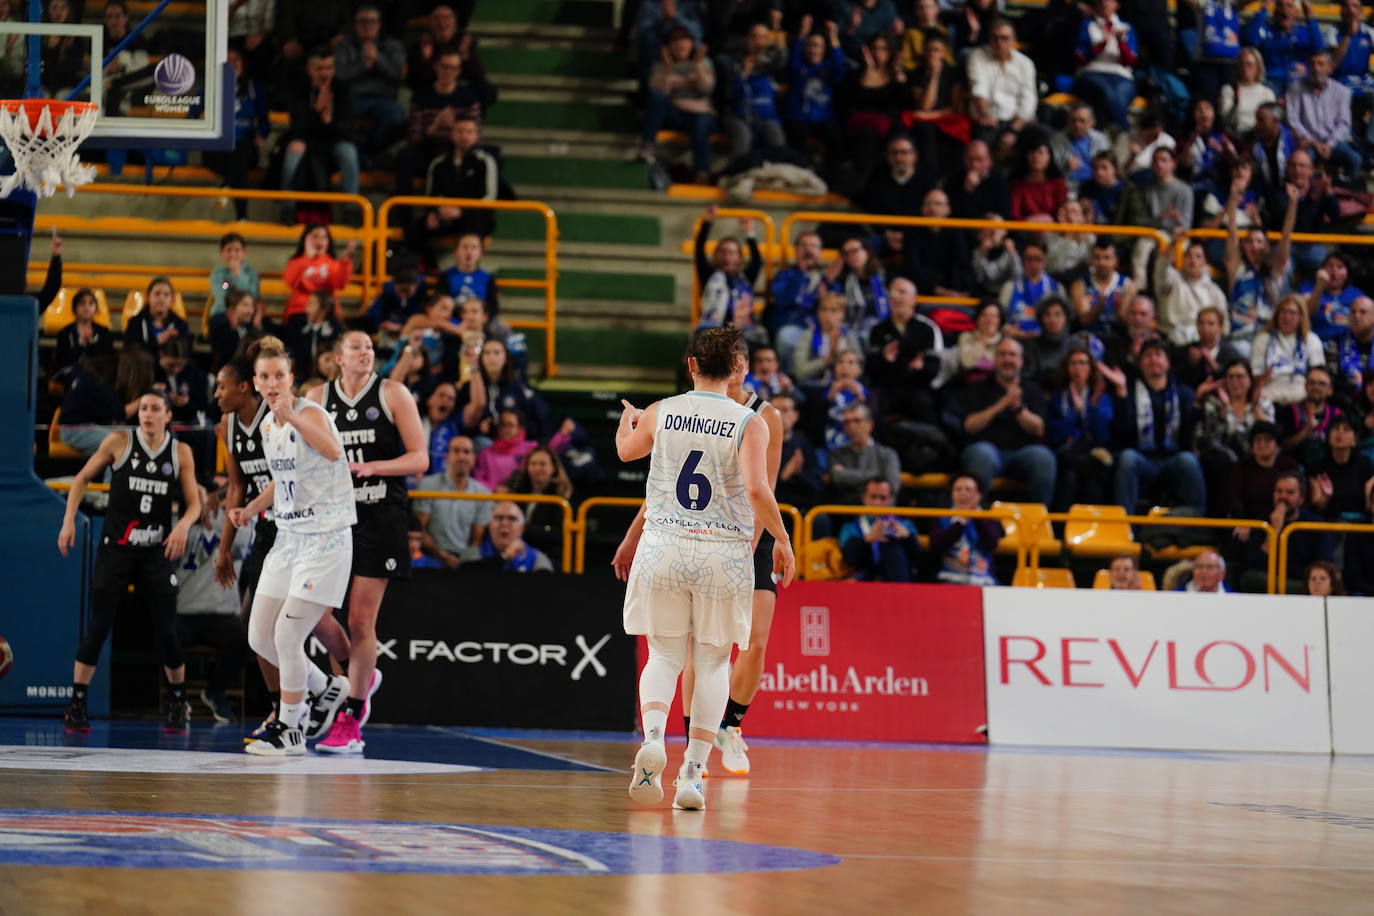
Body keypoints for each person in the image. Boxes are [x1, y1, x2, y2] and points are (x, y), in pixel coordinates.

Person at [615, 327, 795, 811]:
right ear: (737, 368)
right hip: (721, 553)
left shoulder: (663, 410)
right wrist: (781, 537)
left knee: (664, 657)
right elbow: (758, 491)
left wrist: (626, 423)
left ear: (690, 364)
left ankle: (653, 737)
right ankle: (692, 774)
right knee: (714, 661)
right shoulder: (749, 422)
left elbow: (627, 452)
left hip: (663, 545)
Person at [226, 337, 356, 756]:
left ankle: (290, 727)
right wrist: (250, 508)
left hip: (326, 538)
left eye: (279, 375)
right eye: (264, 376)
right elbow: (281, 482)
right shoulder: (266, 427)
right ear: (256, 382)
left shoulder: (311, 413)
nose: (272, 383)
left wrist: (293, 418)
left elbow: (335, 451)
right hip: (288, 538)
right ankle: (326, 687)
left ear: (291, 378)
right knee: (259, 636)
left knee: (287, 634)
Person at [311, 331, 430, 754]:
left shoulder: (393, 393)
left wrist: (372, 467)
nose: (365, 353)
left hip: (380, 515)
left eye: (369, 348)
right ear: (337, 358)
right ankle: (357, 675)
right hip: (331, 518)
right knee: (312, 613)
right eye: (356, 347)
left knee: (361, 622)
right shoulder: (317, 397)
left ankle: (352, 718)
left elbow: (420, 457)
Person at [56, 391, 201, 733]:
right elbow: (79, 480)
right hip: (116, 548)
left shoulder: (180, 452)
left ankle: (178, 701)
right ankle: (77, 701)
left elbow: (195, 503)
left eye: (155, 409)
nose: (147, 414)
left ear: (168, 416)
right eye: (144, 408)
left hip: (155, 550)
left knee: (167, 628)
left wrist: (182, 525)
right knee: (100, 624)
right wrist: (67, 521)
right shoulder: (119, 442)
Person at [176, 485, 250, 724]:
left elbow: (244, 550)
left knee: (241, 638)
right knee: (166, 634)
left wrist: (223, 503)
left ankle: (215, 692)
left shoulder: (241, 521)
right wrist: (195, 506)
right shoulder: (182, 519)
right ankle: (179, 698)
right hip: (184, 610)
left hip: (223, 613)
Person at [955, 337, 1056, 506]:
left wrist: (1018, 409)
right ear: (995, 359)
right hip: (988, 449)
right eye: (1002, 354)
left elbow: (1038, 429)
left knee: (1043, 457)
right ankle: (978, 522)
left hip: (1023, 453)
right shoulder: (978, 388)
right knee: (981, 453)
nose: (1007, 359)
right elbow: (969, 426)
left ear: (1021, 361)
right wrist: (1001, 404)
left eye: (1012, 355)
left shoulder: (1033, 389)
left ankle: (1038, 524)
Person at [1108, 338, 1206, 512]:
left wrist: (1197, 405)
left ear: (1167, 362)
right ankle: (1125, 527)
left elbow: (1188, 435)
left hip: (1172, 459)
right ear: (1140, 363)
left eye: (1158, 355)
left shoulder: (1183, 393)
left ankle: (1196, 524)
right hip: (1142, 459)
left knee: (1189, 461)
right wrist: (1121, 396)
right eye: (1148, 355)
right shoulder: (1128, 391)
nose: (1153, 360)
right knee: (1127, 458)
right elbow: (1121, 434)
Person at [405, 117, 501, 266]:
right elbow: (430, 195)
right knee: (414, 228)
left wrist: (461, 211)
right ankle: (429, 269)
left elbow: (488, 197)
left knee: (475, 225)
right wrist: (435, 212)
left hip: (474, 216)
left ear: (477, 136)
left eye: (469, 132)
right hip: (444, 215)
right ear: (452, 134)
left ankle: (471, 270)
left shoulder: (485, 161)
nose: (464, 135)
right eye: (460, 131)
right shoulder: (439, 163)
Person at [1225, 176, 1297, 358]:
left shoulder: (1275, 271)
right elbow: (1232, 232)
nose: (1254, 246)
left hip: (1270, 336)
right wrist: (1233, 200)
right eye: (1249, 241)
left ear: (1266, 246)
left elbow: (1286, 238)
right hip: (1240, 337)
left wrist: (1292, 205)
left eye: (1259, 242)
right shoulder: (1238, 268)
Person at [642, 26, 718, 183]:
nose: (680, 46)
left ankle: (702, 173)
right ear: (668, 47)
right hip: (675, 114)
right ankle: (647, 145)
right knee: (657, 98)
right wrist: (668, 69)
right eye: (675, 43)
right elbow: (659, 90)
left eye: (684, 42)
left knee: (701, 126)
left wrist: (696, 66)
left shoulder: (703, 62)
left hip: (700, 114)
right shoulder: (661, 66)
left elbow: (706, 88)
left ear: (691, 44)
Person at [283, 48, 359, 199]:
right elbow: (297, 128)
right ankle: (287, 207)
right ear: (309, 70)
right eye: (319, 69)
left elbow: (348, 129)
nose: (325, 74)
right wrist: (315, 111)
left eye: (329, 68)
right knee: (294, 149)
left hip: (334, 140)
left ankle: (352, 209)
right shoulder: (298, 90)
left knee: (348, 152)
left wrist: (328, 120)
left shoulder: (343, 90)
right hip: (307, 140)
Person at [333, 4, 407, 161]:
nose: (367, 25)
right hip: (352, 98)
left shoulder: (393, 45)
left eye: (372, 21)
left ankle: (370, 155)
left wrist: (377, 59)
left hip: (384, 99)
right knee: (341, 121)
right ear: (355, 25)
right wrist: (362, 64)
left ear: (379, 24)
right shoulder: (343, 46)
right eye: (362, 21)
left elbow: (398, 77)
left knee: (396, 117)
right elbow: (340, 76)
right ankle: (363, 157)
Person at [1047, 346, 1116, 508]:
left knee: (1091, 481)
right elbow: (1054, 434)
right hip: (1068, 452)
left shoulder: (1101, 397)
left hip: (1093, 451)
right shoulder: (1058, 397)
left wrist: (1091, 407)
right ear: (1067, 368)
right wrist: (1075, 414)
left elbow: (1103, 435)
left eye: (1083, 363)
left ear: (1091, 369)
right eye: (1073, 364)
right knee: (1070, 477)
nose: (1078, 368)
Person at [414, 435, 492, 568]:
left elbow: (476, 540)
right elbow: (419, 529)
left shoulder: (483, 493)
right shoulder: (427, 486)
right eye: (456, 451)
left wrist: (463, 561)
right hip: (431, 557)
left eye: (466, 452)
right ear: (447, 457)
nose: (461, 457)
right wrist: (441, 555)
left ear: (474, 458)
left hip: (465, 559)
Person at [1285, 49, 1361, 183]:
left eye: (1320, 64)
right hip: (1308, 143)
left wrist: (1329, 145)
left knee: (1355, 159)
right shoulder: (1295, 89)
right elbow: (1293, 120)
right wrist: (1314, 143)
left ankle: (1347, 192)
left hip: (1333, 143)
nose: (1316, 68)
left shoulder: (1341, 91)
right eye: (1313, 64)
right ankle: (1307, 196)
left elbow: (1344, 123)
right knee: (1302, 162)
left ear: (1330, 68)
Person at [965, 19, 1038, 142]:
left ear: (1013, 40)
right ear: (989, 39)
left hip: (1016, 121)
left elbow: (1028, 99)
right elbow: (978, 88)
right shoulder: (977, 56)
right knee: (981, 144)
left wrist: (1013, 129)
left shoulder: (1025, 64)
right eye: (995, 38)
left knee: (1044, 139)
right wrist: (986, 115)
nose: (999, 42)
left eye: (1005, 38)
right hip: (987, 119)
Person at [500, 445, 573, 567]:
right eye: (533, 464)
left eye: (542, 464)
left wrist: (524, 528)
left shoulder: (562, 496)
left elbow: (558, 535)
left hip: (547, 555)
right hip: (513, 550)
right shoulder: (517, 490)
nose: (537, 468)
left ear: (553, 468)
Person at [1072, 0, 1140, 131]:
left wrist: (1121, 43)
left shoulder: (1126, 27)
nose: (1105, 3)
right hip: (1092, 72)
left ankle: (1110, 132)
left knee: (1121, 94)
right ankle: (1125, 130)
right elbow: (1081, 58)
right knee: (1107, 93)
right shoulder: (1087, 25)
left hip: (1121, 74)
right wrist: (1100, 44)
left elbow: (1130, 61)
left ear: (1117, 4)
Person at [839, 477, 920, 582]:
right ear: (864, 498)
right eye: (873, 497)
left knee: (891, 546)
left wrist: (908, 539)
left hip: (896, 580)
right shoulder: (850, 527)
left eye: (883, 498)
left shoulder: (905, 526)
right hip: (863, 580)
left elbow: (917, 560)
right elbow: (850, 559)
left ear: (891, 499)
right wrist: (866, 540)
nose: (877, 503)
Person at [695, 206, 763, 330]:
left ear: (739, 258)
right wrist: (707, 223)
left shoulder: (746, 277)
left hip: (741, 329)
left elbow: (757, 261)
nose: (727, 256)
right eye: (723, 251)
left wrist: (750, 233)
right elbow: (699, 250)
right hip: (713, 328)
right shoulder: (708, 274)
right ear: (716, 255)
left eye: (732, 253)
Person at [1251, 293, 1325, 405]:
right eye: (1283, 312)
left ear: (1301, 317)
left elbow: (1318, 373)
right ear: (1276, 315)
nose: (1287, 317)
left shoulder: (1311, 339)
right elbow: (1255, 374)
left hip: (1302, 394)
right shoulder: (1262, 339)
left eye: (1292, 313)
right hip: (1270, 391)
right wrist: (1262, 377)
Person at [1155, 234, 1228, 346]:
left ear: (1205, 262)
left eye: (1198, 256)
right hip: (1171, 338)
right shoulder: (1172, 279)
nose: (1193, 260)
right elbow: (1161, 270)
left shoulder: (1214, 291)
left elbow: (1224, 321)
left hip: (1205, 340)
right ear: (1183, 259)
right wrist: (1172, 244)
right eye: (1189, 255)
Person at [930, 472, 1003, 585]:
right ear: (952, 494)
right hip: (949, 580)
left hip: (984, 580)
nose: (962, 493)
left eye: (968, 489)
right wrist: (961, 522)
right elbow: (936, 546)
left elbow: (992, 544)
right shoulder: (942, 517)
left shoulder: (989, 518)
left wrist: (976, 517)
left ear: (979, 495)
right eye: (958, 489)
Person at [283, 225, 357, 324]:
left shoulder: (333, 263)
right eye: (315, 236)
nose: (319, 241)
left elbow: (340, 285)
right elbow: (289, 281)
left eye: (323, 237)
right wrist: (307, 258)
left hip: (326, 311)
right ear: (306, 240)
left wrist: (346, 261)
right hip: (300, 311)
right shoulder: (296, 261)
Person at [459, 501, 555, 572]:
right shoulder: (472, 554)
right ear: (489, 526)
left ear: (521, 528)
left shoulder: (537, 558)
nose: (504, 523)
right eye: (498, 518)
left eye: (512, 518)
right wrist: (505, 556)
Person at [1071, 239, 1137, 337]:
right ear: (1091, 260)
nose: (1102, 263)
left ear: (1116, 261)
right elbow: (1084, 320)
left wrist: (1118, 310)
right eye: (1097, 258)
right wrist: (1099, 306)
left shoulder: (1128, 285)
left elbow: (1127, 323)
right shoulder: (1080, 285)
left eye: (1107, 258)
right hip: (1088, 339)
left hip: (1118, 339)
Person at [999, 242, 1063, 340]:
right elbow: (1000, 319)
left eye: (1038, 259)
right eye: (1029, 259)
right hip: (1014, 341)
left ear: (1045, 260)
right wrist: (1011, 331)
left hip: (1046, 342)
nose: (1033, 263)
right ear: (1022, 260)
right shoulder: (1009, 287)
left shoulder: (1056, 287)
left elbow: (1062, 323)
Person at [123, 277, 190, 362]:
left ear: (172, 299)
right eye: (157, 294)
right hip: (142, 370)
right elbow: (130, 352)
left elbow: (185, 356)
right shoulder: (135, 323)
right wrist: (157, 342)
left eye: (166, 294)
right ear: (148, 297)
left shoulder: (180, 325)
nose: (161, 299)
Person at [1304, 252, 1365, 344]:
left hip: (1348, 346)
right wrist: (1319, 286)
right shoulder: (1308, 287)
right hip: (1316, 343)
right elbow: (1306, 312)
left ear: (1347, 272)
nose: (1334, 271)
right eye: (1330, 266)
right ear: (1322, 269)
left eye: (1340, 267)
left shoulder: (1356, 294)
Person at [53, 288, 114, 379]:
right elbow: (61, 361)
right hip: (71, 376)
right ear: (75, 308)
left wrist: (92, 346)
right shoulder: (65, 333)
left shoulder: (104, 332)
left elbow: (108, 360)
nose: (86, 307)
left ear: (95, 307)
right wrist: (79, 346)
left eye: (91, 303)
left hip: (97, 376)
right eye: (82, 303)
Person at [1051, 102, 1110, 191]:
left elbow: (1108, 165)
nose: (1077, 125)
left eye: (1082, 121)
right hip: (1067, 187)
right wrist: (1065, 166)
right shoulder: (1057, 140)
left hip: (1095, 186)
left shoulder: (1100, 139)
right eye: (1073, 120)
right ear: (1067, 121)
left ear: (1091, 123)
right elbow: (1049, 169)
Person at [1219, 46, 1277, 136]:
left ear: (1258, 67)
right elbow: (1225, 122)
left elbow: (1271, 122)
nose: (1245, 68)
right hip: (1236, 135)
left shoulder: (1267, 93)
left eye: (1249, 64)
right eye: (1242, 64)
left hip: (1259, 136)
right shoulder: (1229, 90)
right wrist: (1235, 104)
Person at [1325, 295, 1374, 400]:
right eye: (1353, 312)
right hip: (1346, 400)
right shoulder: (1335, 342)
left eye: (1363, 312)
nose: (1356, 316)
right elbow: (1331, 378)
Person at [208, 233, 261, 325]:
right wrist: (232, 277)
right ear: (221, 253)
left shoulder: (251, 273)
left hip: (247, 313)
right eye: (228, 250)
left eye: (237, 250)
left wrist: (238, 274)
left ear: (244, 253)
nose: (232, 254)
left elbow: (252, 295)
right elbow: (222, 292)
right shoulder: (218, 273)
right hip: (223, 312)